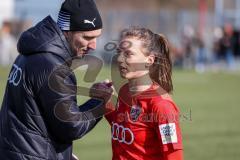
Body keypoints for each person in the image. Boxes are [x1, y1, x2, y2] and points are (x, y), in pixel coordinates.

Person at [0, 0, 112, 160]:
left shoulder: (29, 53)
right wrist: (100, 102)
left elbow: (36, 119)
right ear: (67, 31)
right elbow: (72, 127)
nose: (93, 45)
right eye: (87, 37)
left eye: (96, 37)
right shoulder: (53, 67)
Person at [92, 27, 184, 160]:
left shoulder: (162, 106)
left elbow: (174, 156)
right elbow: (124, 127)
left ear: (149, 61)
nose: (120, 59)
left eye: (128, 54)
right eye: (119, 52)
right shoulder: (124, 91)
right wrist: (106, 99)